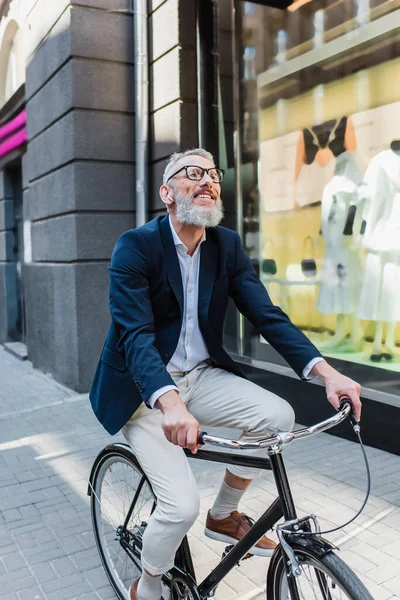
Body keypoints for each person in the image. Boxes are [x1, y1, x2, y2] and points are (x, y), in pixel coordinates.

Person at [90, 148, 362, 600]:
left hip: (200, 375)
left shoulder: (225, 244)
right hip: (145, 391)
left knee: (277, 417)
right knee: (179, 509)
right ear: (167, 193)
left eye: (213, 174)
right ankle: (148, 584)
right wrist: (170, 403)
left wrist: (327, 373)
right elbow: (135, 336)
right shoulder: (135, 246)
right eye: (192, 173)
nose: (207, 180)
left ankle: (225, 516)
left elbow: (266, 315)